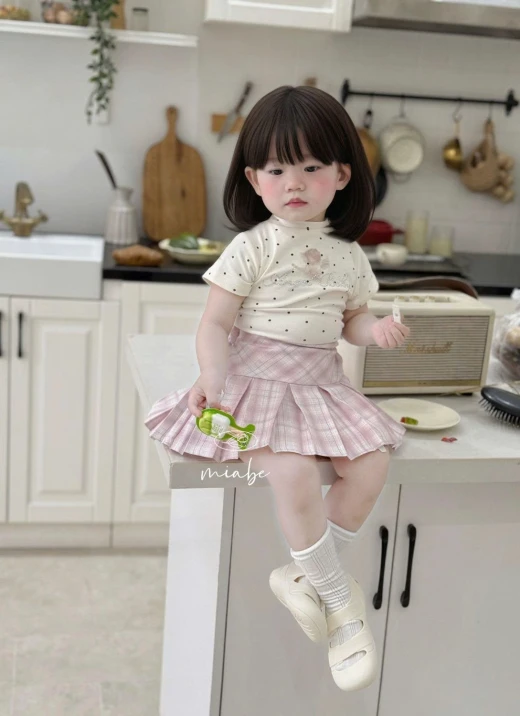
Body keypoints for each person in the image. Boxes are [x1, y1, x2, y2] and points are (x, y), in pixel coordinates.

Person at [145, 85, 410, 692]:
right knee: (291, 472)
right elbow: (215, 324)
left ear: (341, 175)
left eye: (311, 168)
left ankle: (302, 576)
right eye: (277, 169)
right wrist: (213, 374)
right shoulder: (252, 246)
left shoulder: (349, 254)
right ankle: (341, 606)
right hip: (255, 382)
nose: (294, 182)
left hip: (320, 384)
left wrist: (377, 331)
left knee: (371, 465)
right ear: (254, 180)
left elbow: (352, 321)